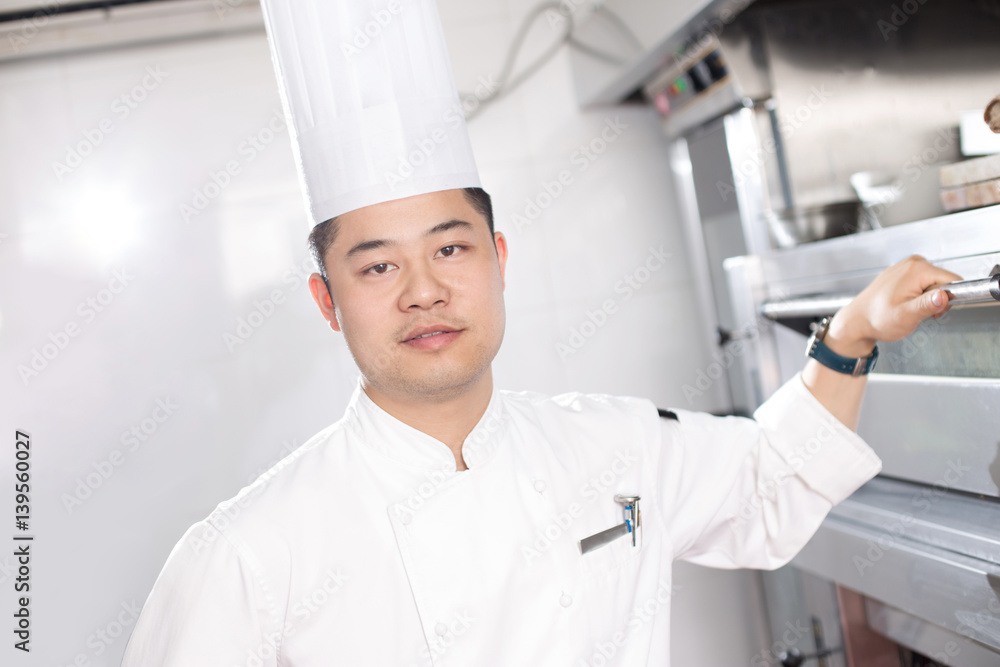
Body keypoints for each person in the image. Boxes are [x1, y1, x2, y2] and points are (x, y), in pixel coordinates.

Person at [120, 1, 962, 665]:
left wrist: (849, 333)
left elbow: (769, 481)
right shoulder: (245, 553)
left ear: (499, 259)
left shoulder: (613, 445)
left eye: (450, 249)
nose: (424, 291)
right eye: (377, 267)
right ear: (326, 299)